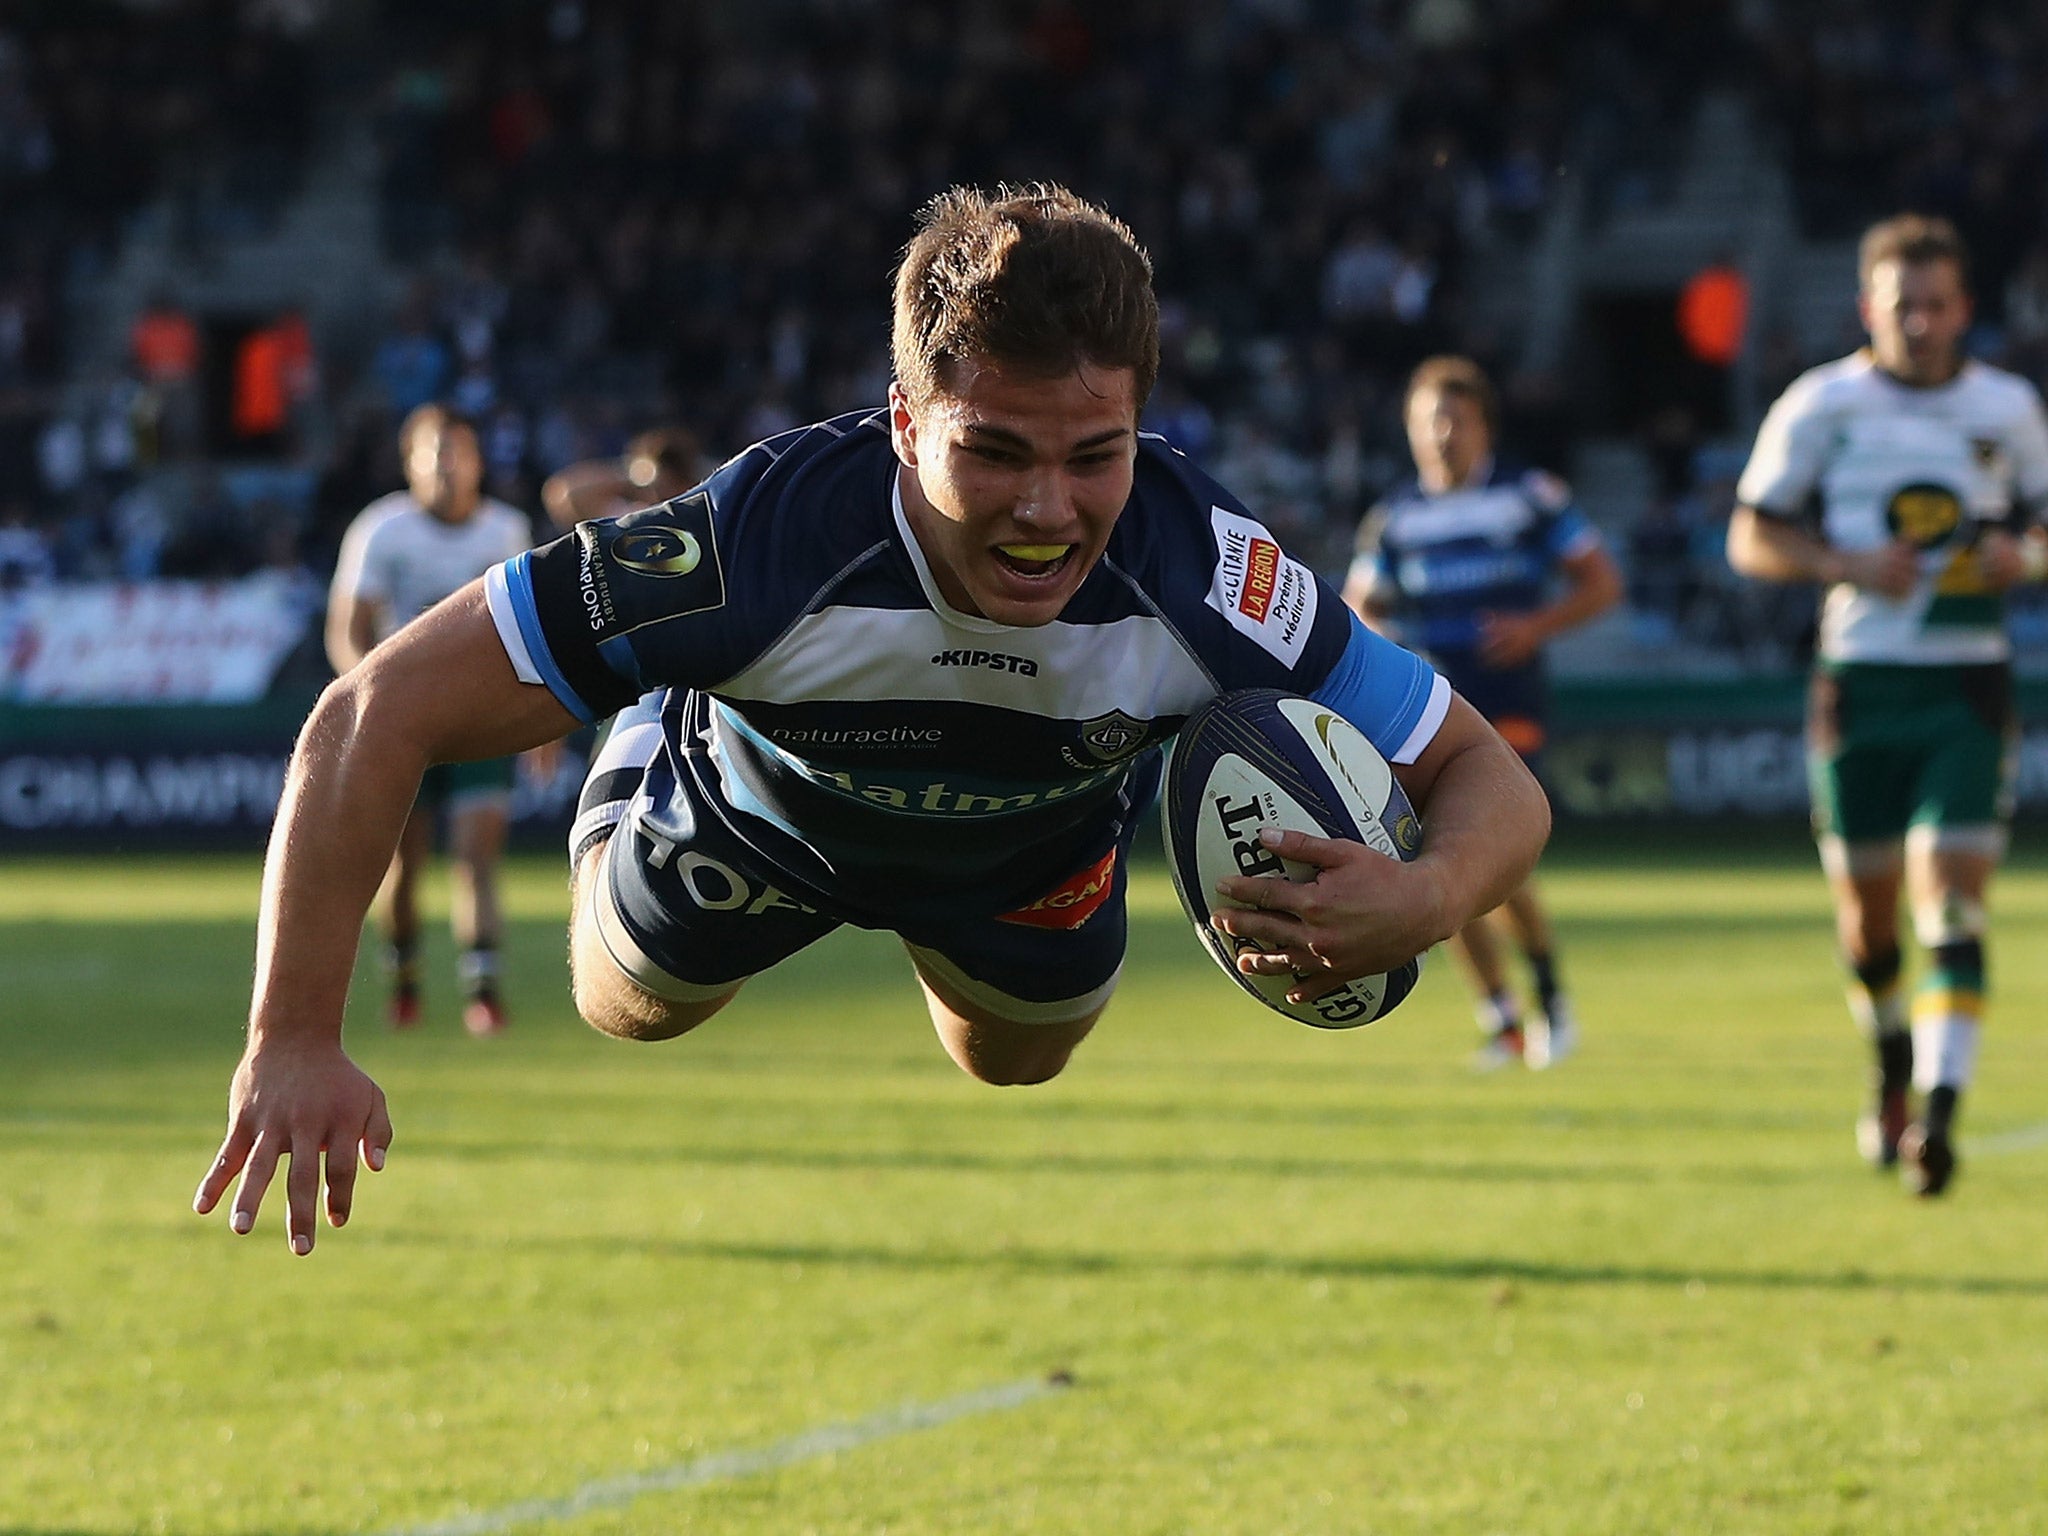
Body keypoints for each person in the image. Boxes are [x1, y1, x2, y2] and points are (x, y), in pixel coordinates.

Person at [194, 185, 1551, 1255]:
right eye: (996, 451)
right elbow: (370, 709)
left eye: (1096, 457)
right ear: (906, 427)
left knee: (1015, 1064)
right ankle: (660, 726)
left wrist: (1426, 896)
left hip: (1025, 852)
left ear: (1143, 422)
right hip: (757, 818)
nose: (1048, 508)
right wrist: (293, 1037)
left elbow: (1488, 777)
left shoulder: (1208, 572)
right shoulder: (758, 545)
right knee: (631, 1009)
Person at [1727, 214, 2048, 1197]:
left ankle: (1937, 1122)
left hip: (1962, 683)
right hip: (1856, 688)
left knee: (1947, 898)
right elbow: (1749, 537)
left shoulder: (2006, 407)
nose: (1918, 321)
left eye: (1936, 304)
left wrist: (2023, 558)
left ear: (1963, 309)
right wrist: (1840, 562)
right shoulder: (1820, 404)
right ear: (1867, 306)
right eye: (1899, 304)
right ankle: (1890, 1060)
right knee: (1867, 930)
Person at [1343, 356, 1622, 1071]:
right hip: (1428, 711)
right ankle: (1503, 1017)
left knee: (1496, 859)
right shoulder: (1397, 517)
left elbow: (1601, 582)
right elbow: (1357, 611)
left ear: (1482, 427)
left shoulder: (1529, 497)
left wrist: (1536, 628)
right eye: (1425, 421)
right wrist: (1389, 651)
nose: (1440, 434)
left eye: (1453, 419)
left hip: (1510, 703)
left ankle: (1551, 995)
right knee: (1441, 860)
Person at [325, 403, 539, 1037]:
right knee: (405, 866)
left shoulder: (505, 530)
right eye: (435, 452)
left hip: (482, 720)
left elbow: (531, 632)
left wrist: (541, 719)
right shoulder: (382, 531)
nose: (449, 465)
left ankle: (483, 992)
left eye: (460, 452)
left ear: (477, 462)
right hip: (406, 725)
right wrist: (372, 703)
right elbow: (349, 630)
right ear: (410, 462)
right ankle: (405, 976)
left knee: (477, 855)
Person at [540, 425, 705, 530]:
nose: (654, 491)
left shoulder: (700, 510)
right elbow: (564, 493)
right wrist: (633, 475)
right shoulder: (633, 515)